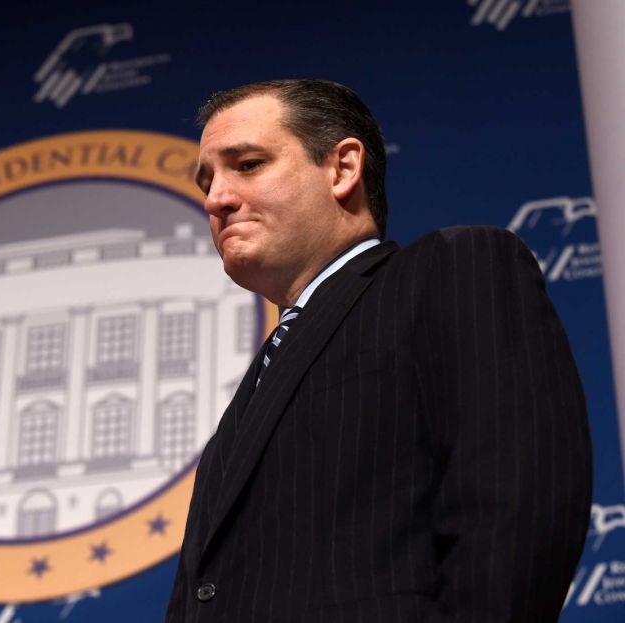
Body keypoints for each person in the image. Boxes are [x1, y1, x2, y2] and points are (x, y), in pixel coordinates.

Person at [166, 79, 593, 622]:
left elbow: (519, 505)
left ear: (343, 168)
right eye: (207, 180)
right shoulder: (252, 391)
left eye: (247, 164)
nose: (216, 198)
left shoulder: (452, 270)